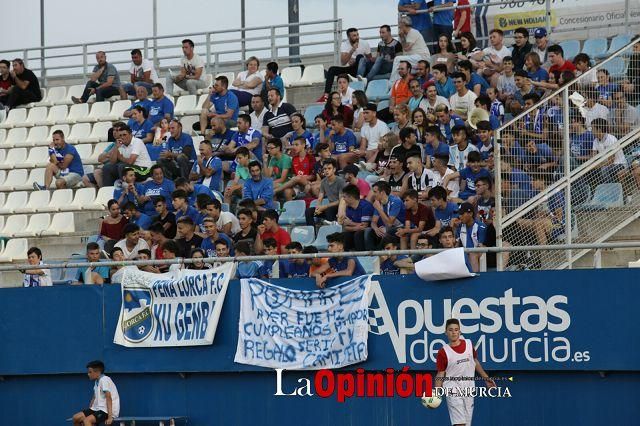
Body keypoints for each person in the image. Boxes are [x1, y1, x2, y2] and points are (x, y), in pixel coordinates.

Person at [435, 318, 495, 426]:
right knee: (460, 424)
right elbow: (440, 373)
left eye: (456, 329)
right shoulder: (443, 352)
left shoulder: (468, 344)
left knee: (467, 424)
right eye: (450, 330)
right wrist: (436, 391)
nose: (453, 332)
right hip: (452, 388)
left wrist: (486, 378)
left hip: (469, 388)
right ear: (446, 332)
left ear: (460, 331)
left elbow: (474, 361)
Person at [317, 27, 372, 102]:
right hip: (351, 69)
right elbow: (343, 62)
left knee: (360, 57)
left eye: (357, 35)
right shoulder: (345, 45)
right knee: (332, 69)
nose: (357, 37)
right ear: (349, 37)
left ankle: (359, 80)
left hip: (361, 69)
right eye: (354, 36)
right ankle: (326, 95)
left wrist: (357, 61)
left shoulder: (364, 43)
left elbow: (370, 60)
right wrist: (352, 50)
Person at [71, 360, 120, 426]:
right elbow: (94, 397)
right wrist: (90, 409)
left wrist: (110, 417)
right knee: (76, 418)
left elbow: (109, 398)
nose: (88, 374)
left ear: (97, 372)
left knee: (87, 421)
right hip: (97, 408)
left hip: (107, 411)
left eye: (90, 372)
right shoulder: (97, 381)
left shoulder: (104, 380)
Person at [390, 16, 431, 84]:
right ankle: (397, 86)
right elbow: (405, 52)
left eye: (400, 24)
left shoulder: (413, 32)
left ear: (403, 24)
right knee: (401, 68)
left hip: (422, 58)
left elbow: (406, 48)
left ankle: (392, 83)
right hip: (414, 60)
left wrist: (402, 37)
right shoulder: (404, 35)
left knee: (397, 59)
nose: (399, 27)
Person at [305, 158, 346, 225]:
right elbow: (320, 196)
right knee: (308, 211)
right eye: (325, 169)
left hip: (339, 208)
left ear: (334, 169)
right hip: (329, 207)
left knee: (329, 210)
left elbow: (341, 200)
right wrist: (318, 207)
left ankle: (330, 230)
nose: (326, 171)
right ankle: (313, 232)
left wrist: (325, 207)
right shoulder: (324, 181)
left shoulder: (340, 181)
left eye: (329, 168)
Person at [591, 118, 628, 184]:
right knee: (592, 172)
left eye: (593, 129)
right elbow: (594, 158)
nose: (591, 131)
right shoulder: (595, 141)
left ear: (599, 129)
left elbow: (611, 161)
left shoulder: (611, 139)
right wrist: (594, 165)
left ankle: (610, 190)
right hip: (605, 165)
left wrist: (597, 165)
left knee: (604, 170)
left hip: (619, 164)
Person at [337, 184, 374, 251]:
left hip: (369, 232)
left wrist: (351, 223)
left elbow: (364, 226)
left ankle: (362, 256)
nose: (343, 199)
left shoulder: (366, 206)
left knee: (358, 234)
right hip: (356, 230)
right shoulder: (348, 208)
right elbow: (346, 227)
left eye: (344, 197)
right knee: (343, 235)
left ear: (351, 197)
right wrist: (355, 226)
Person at [370, 180, 406, 248]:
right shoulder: (378, 202)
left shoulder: (395, 201)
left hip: (402, 227)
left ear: (382, 192)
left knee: (387, 232)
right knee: (368, 232)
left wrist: (379, 209)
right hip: (388, 228)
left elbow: (390, 223)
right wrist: (376, 229)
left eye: (375, 192)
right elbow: (373, 221)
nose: (373, 194)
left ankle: (379, 253)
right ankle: (368, 254)